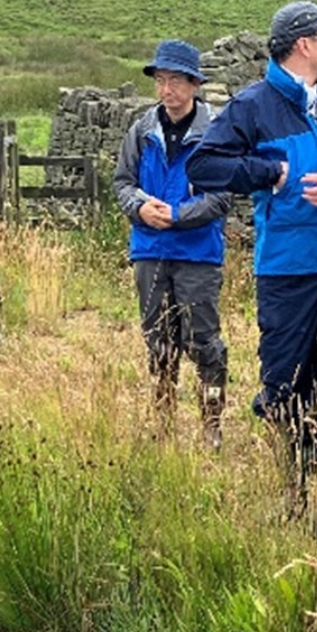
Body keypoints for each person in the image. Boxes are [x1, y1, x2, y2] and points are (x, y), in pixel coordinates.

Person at [187, 1, 317, 527]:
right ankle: (292, 492)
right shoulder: (254, 105)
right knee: (285, 382)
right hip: (288, 269)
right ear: (304, 44)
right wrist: (270, 172)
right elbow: (204, 164)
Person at [112, 38, 236, 448]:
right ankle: (163, 422)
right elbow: (123, 183)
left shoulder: (216, 132)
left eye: (177, 81)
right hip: (149, 251)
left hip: (197, 253)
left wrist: (179, 216)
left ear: (195, 84)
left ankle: (211, 426)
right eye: (161, 81)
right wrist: (139, 209)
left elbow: (222, 195)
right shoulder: (142, 129)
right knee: (158, 340)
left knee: (204, 343)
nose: (167, 90)